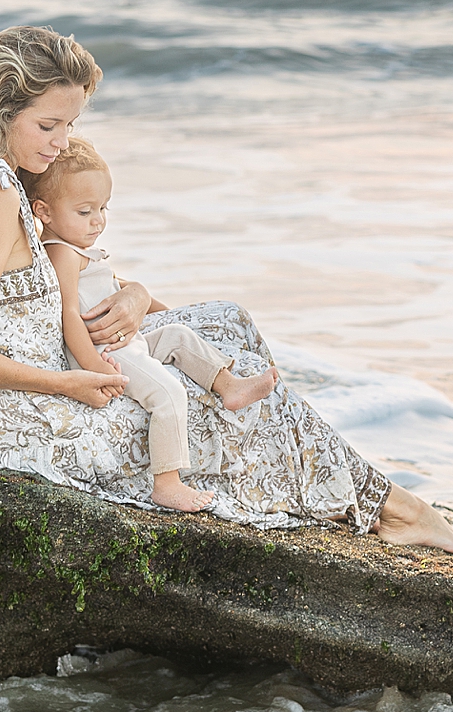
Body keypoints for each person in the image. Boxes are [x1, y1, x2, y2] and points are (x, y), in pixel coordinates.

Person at [0, 24, 453, 553]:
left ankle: (362, 504)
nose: (63, 142)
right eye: (47, 124)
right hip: (14, 429)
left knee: (225, 323)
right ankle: (393, 510)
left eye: (70, 125)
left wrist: (136, 296)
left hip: (41, 394)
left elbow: (69, 288)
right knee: (220, 393)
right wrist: (70, 382)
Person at [26, 136, 278, 514]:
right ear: (43, 211)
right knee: (168, 393)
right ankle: (167, 484)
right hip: (105, 354)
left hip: (127, 345)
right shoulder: (61, 253)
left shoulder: (78, 249)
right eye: (84, 212)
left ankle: (229, 386)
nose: (98, 220)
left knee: (177, 335)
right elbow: (68, 317)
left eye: (103, 208)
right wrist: (94, 368)